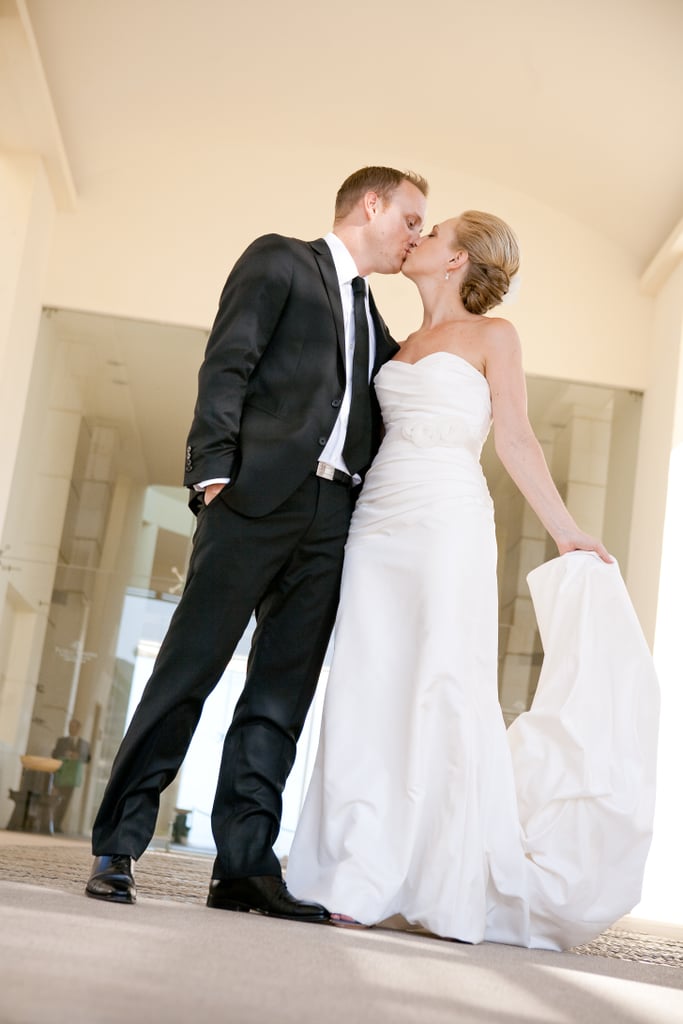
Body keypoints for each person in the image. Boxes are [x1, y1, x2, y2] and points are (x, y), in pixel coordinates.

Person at [285, 211, 659, 949]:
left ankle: (437, 874)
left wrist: (565, 531)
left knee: (441, 682)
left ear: (456, 259)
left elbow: (514, 436)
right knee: (368, 682)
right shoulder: (395, 344)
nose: (417, 239)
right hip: (377, 523)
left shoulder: (496, 338)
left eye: (434, 232)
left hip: (448, 520)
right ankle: (359, 868)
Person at [85, 166, 429, 918]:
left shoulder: (376, 321)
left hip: (332, 516)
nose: (414, 235)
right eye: (409, 218)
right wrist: (213, 474)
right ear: (369, 204)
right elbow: (228, 362)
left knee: (280, 697)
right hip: (252, 501)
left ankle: (242, 864)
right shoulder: (279, 260)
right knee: (187, 671)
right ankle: (118, 845)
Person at [52, 718, 91, 833]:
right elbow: (54, 754)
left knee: (65, 801)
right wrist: (65, 754)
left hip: (72, 776)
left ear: (78, 728)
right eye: (69, 726)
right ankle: (52, 822)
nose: (71, 728)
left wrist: (78, 756)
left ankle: (57, 824)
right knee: (56, 799)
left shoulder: (84, 744)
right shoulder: (61, 741)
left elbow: (88, 759)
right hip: (61, 774)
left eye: (73, 726)